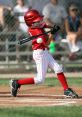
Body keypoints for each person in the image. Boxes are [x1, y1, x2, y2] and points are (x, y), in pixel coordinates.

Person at [10, 9, 78, 98]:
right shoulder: (37, 32)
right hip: (40, 54)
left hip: (44, 52)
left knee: (58, 69)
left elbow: (44, 25)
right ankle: (17, 83)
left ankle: (66, 90)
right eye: (38, 21)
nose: (41, 21)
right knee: (40, 80)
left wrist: (52, 27)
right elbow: (47, 43)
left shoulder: (37, 25)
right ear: (32, 23)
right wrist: (52, 34)